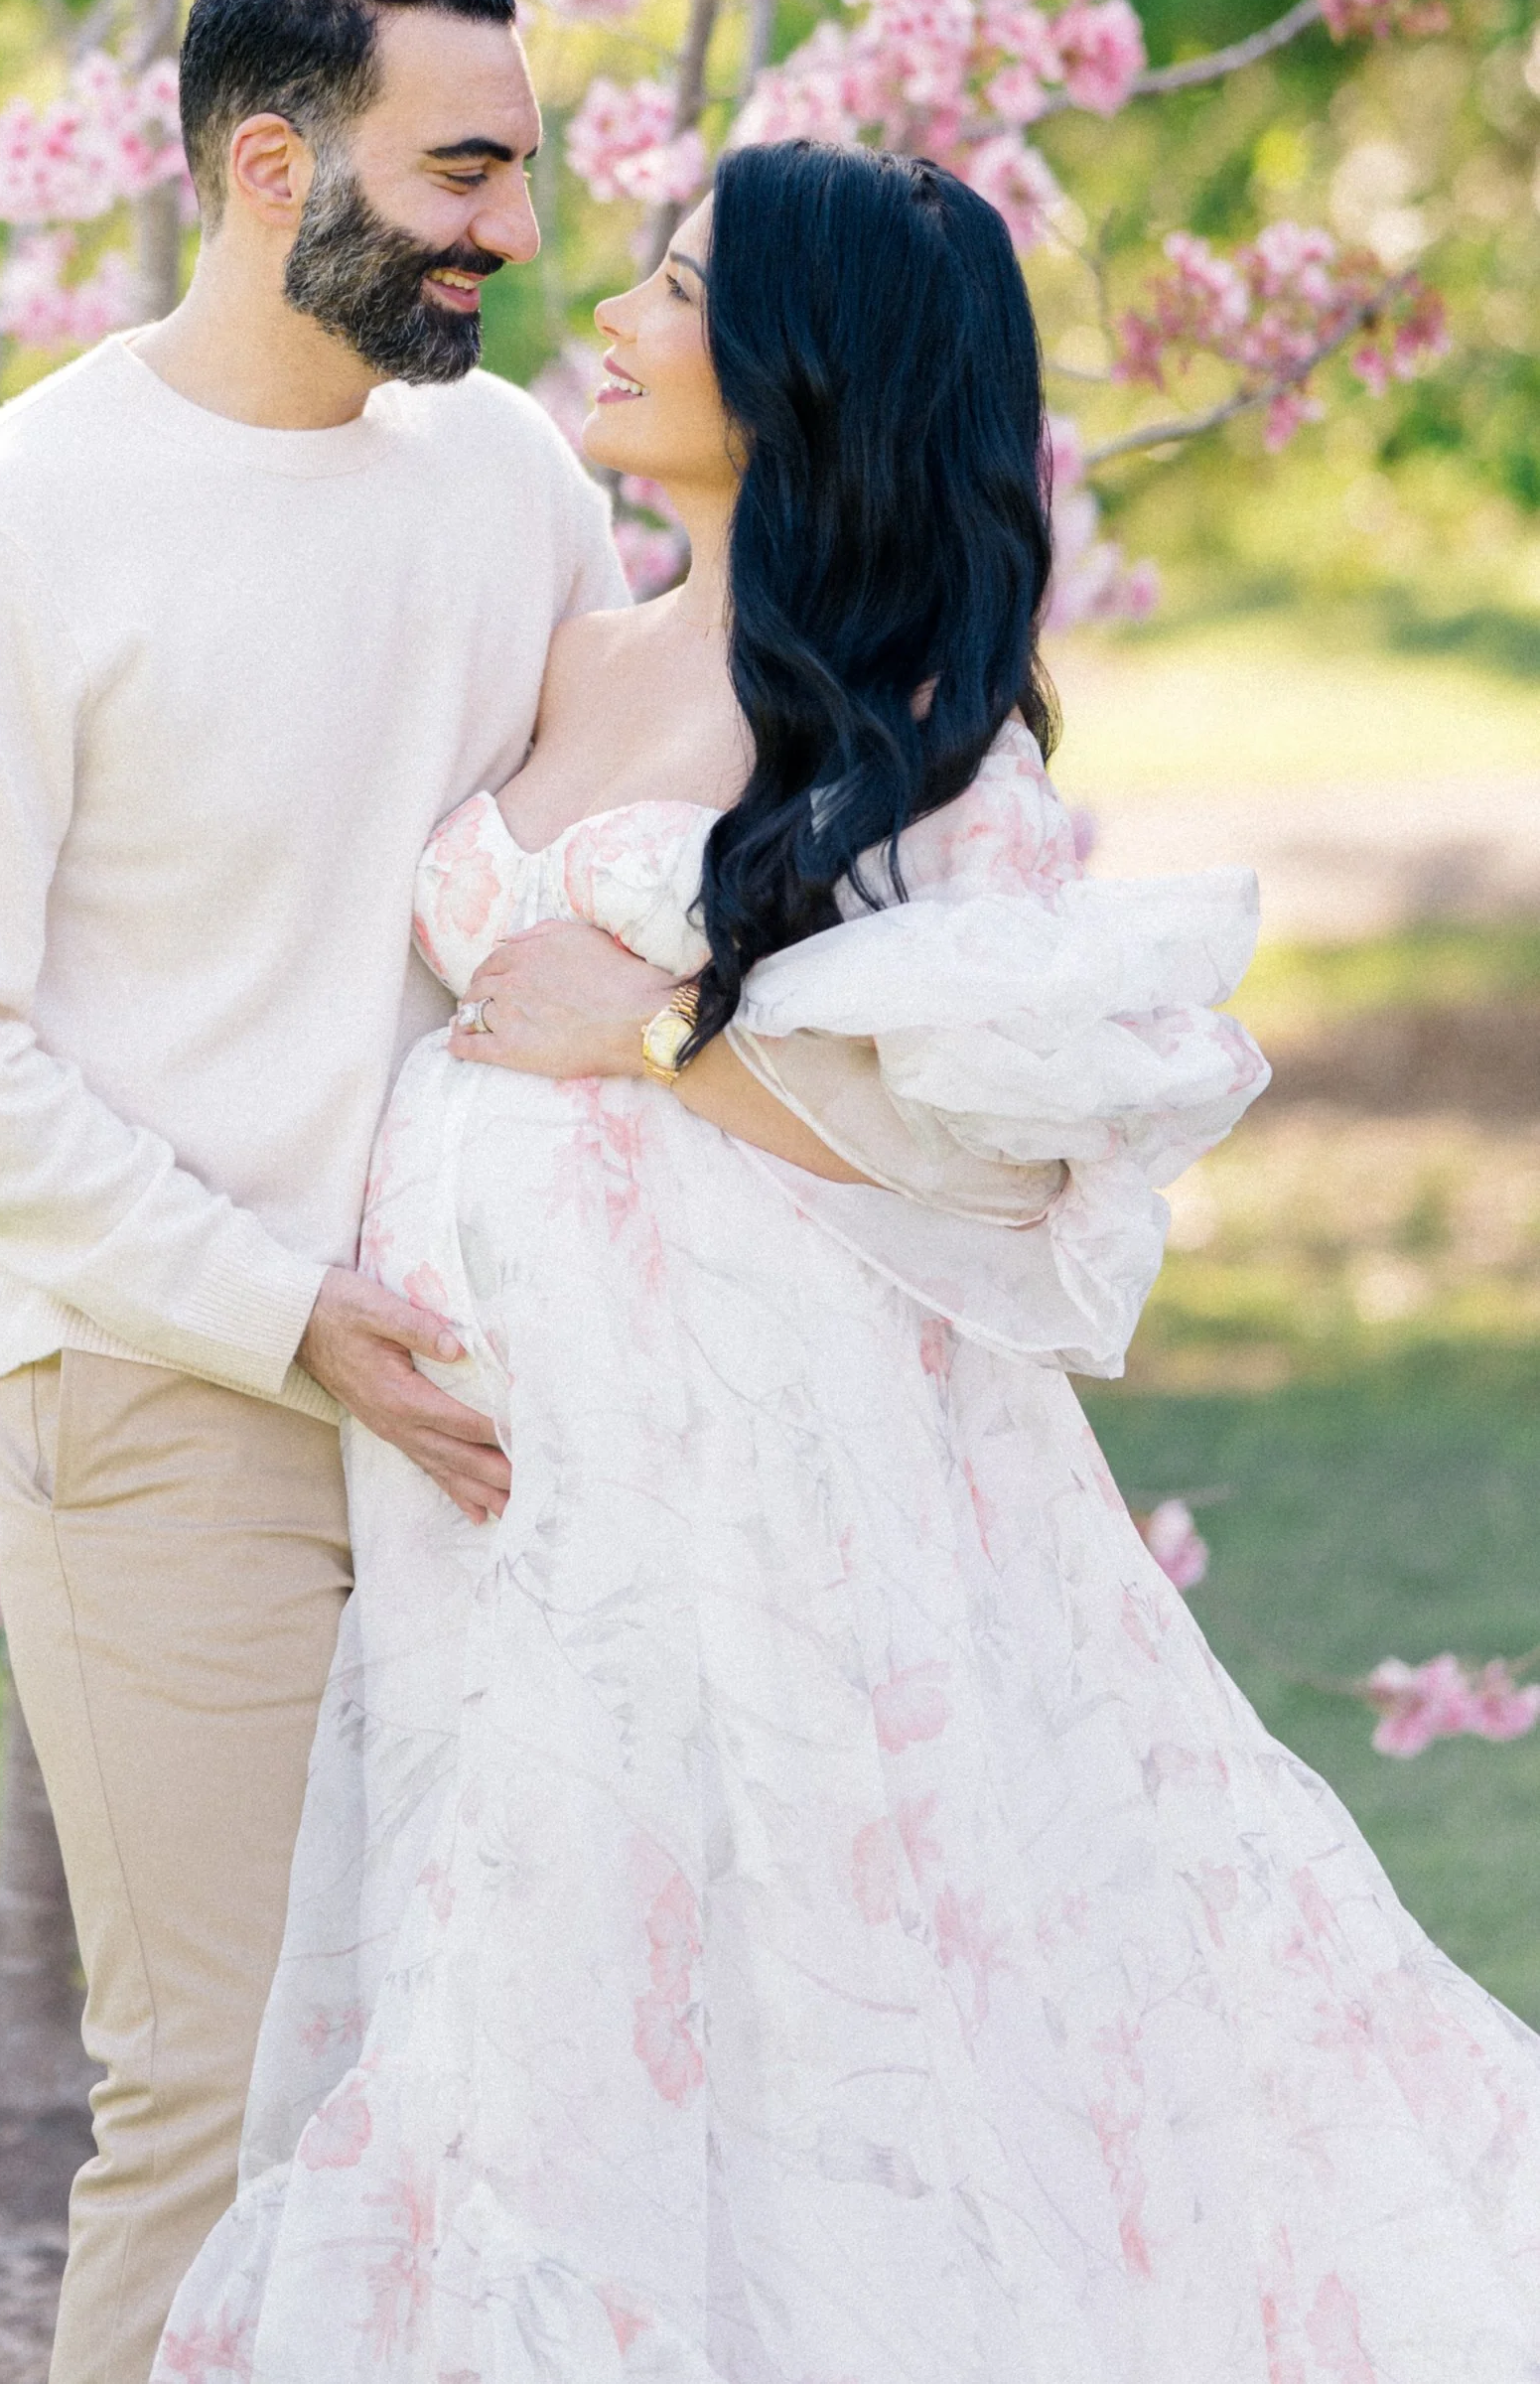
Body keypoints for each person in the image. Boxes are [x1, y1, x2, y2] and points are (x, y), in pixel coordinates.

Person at [162, 140, 1540, 2384]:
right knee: (519, 1963)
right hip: (498, 1476)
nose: (610, 306)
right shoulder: (561, 650)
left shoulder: (913, 736)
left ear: (800, 374)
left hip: (755, 1472)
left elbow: (1013, 1174)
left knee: (764, 1981)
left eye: (679, 288)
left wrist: (664, 1035)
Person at [0, 0, 639, 2384]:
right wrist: (282, 1315)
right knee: (221, 2095)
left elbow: (603, 855)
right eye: (463, 169)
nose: (513, 229)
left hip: (500, 1389)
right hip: (173, 1392)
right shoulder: (14, 522)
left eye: (519, 167)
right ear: (272, 169)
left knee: (487, 2084)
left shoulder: (508, 484)